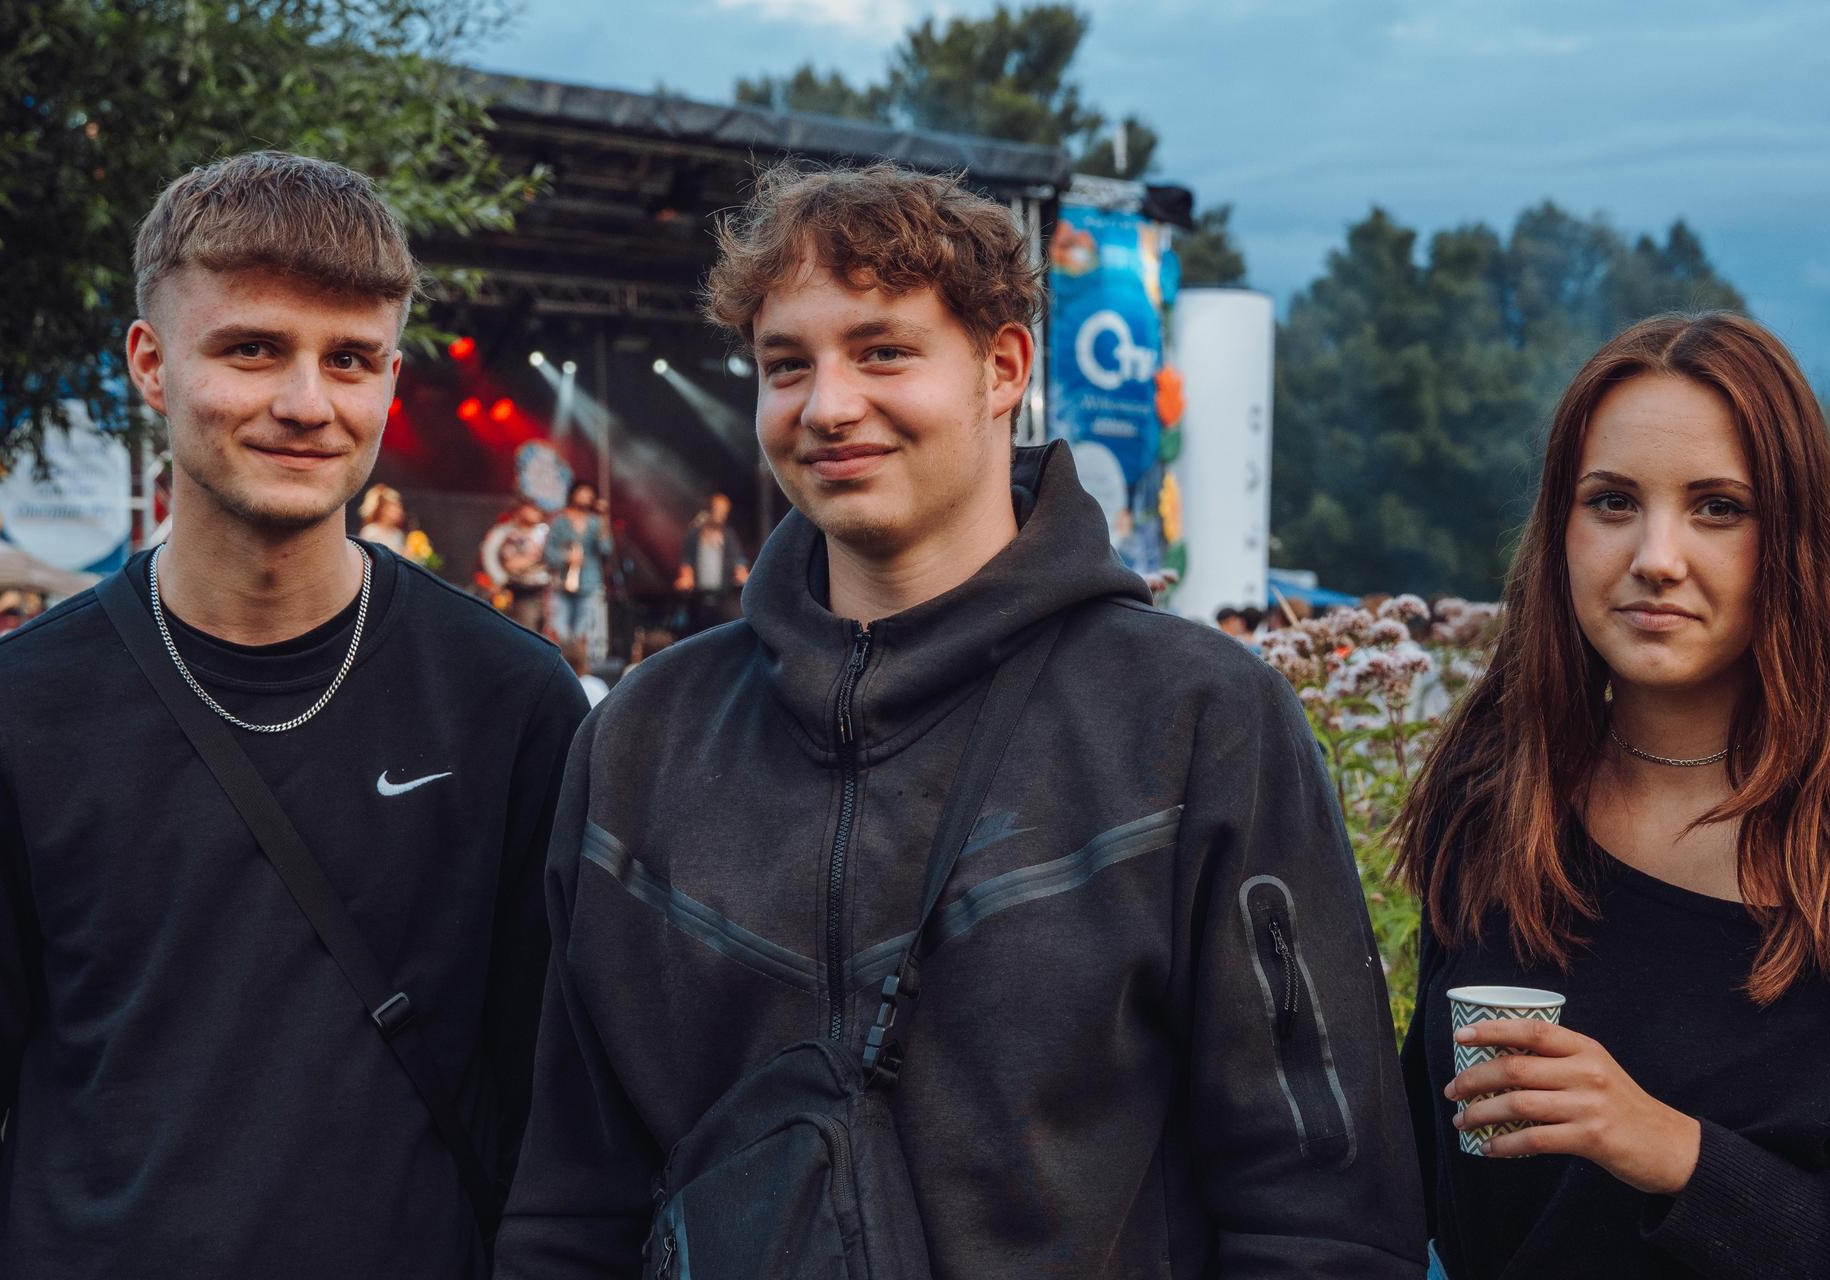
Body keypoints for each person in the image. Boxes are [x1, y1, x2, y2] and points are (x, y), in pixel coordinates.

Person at [497, 161, 1423, 1277]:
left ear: (1003, 367)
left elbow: (1321, 1213)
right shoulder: (643, 737)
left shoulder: (1198, 719)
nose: (829, 404)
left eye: (882, 349)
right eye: (787, 364)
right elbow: (569, 1203)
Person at [0, 151, 590, 1278]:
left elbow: (557, 1124)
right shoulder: (21, 710)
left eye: (350, 358)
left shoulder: (513, 703)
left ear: (390, 380)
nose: (307, 402)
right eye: (252, 347)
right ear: (150, 364)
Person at [1393, 312, 1830, 1278]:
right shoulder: (1503, 799)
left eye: (1719, 507)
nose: (1656, 556)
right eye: (1613, 502)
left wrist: (1672, 1153)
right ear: (1560, 530)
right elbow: (1413, 1171)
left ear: (1794, 537)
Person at [544, 480, 611, 664]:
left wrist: (604, 519)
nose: (585, 496)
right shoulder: (560, 521)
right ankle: (560, 666)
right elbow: (548, 553)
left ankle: (581, 667)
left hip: (589, 582)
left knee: (583, 630)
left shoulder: (596, 522)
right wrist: (566, 558)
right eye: (582, 492)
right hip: (562, 583)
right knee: (560, 629)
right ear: (573, 494)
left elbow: (606, 550)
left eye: (589, 493)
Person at [674, 491, 749, 633]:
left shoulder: (729, 536)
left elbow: (739, 562)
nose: (722, 515)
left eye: (725, 511)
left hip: (723, 598)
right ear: (708, 510)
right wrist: (686, 578)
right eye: (719, 510)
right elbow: (687, 562)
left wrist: (743, 575)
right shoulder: (694, 535)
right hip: (698, 599)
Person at [482, 499, 553, 634]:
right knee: (527, 629)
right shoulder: (511, 534)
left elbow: (554, 558)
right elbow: (509, 564)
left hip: (545, 589)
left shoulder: (544, 533)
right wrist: (530, 559)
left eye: (537, 510)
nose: (535, 513)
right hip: (521, 590)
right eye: (531, 509)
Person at [358, 480, 409, 551]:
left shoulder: (398, 534)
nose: (399, 511)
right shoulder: (370, 532)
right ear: (382, 509)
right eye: (394, 508)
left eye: (399, 507)